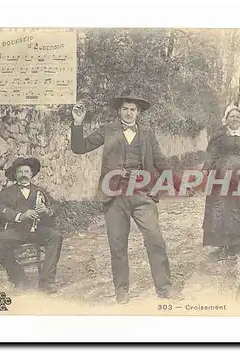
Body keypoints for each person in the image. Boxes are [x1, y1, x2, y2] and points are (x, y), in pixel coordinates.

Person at [70, 90, 191, 304]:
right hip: (114, 195)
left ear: (139, 112)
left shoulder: (147, 133)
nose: (128, 113)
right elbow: (79, 148)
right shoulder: (107, 130)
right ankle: (122, 291)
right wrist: (78, 123)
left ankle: (164, 288)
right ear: (119, 111)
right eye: (125, 109)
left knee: (155, 240)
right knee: (117, 245)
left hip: (143, 194)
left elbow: (160, 162)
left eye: (132, 110)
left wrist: (179, 183)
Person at [202, 105, 240, 280]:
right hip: (223, 174)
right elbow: (211, 154)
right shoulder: (220, 135)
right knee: (224, 208)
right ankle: (225, 244)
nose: (234, 119)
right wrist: (206, 170)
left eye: (237, 116)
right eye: (231, 116)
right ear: (226, 119)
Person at [0, 157, 63, 294]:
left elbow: (56, 206)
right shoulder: (7, 192)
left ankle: (46, 282)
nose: (23, 174)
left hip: (38, 230)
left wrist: (48, 210)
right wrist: (20, 216)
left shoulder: (40, 191)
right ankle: (18, 276)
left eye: (26, 171)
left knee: (56, 237)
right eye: (20, 172)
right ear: (15, 175)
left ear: (31, 174)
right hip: (16, 231)